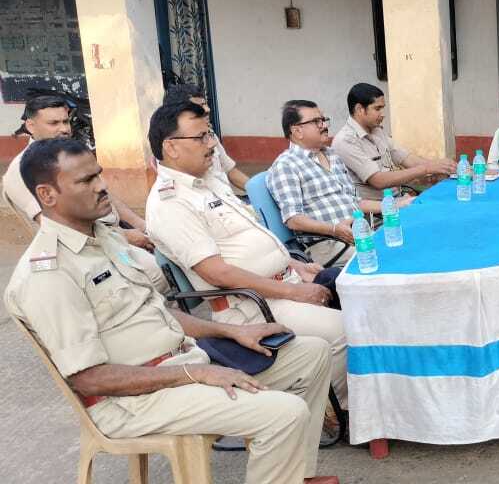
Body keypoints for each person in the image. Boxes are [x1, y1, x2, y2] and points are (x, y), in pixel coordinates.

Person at [4, 138, 339, 484]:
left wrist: (233, 331)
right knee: (283, 413)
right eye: (86, 180)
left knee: (310, 353)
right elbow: (89, 378)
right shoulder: (49, 273)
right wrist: (195, 374)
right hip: (130, 401)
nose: (102, 186)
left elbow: (156, 312)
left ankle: (294, 475)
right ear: (47, 195)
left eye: (99, 174)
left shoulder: (105, 237)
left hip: (180, 365)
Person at [145, 101, 349, 408]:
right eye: (201, 137)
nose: (211, 144)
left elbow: (251, 239)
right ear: (171, 147)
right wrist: (294, 291)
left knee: (358, 302)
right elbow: (217, 273)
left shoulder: (207, 182)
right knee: (345, 330)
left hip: (280, 286)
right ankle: (339, 411)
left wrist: (293, 265)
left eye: (210, 134)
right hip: (251, 306)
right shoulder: (170, 204)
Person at [2, 95, 166, 291]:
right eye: (53, 123)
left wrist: (141, 226)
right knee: (155, 277)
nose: (64, 129)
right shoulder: (24, 171)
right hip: (85, 253)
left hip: (113, 237)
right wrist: (127, 237)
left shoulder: (67, 154)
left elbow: (106, 195)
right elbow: (57, 226)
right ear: (30, 126)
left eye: (65, 122)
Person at [267, 100, 385, 267]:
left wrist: (394, 205)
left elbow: (355, 202)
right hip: (327, 244)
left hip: (358, 232)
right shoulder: (286, 165)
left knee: (402, 239)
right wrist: (334, 229)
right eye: (316, 121)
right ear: (297, 130)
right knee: (386, 254)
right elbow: (294, 219)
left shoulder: (331, 155)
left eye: (323, 120)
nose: (323, 125)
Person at [331, 83, 455, 201]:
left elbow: (407, 159)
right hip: (376, 210)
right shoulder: (345, 141)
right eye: (377, 109)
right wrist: (426, 169)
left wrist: (441, 166)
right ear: (360, 109)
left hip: (398, 199)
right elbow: (378, 180)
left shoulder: (376, 131)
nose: (382, 115)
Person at [162, 84, 250, 191]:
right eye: (198, 107)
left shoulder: (210, 135)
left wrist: (258, 191)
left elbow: (230, 170)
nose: (207, 109)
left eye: (205, 104)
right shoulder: (172, 150)